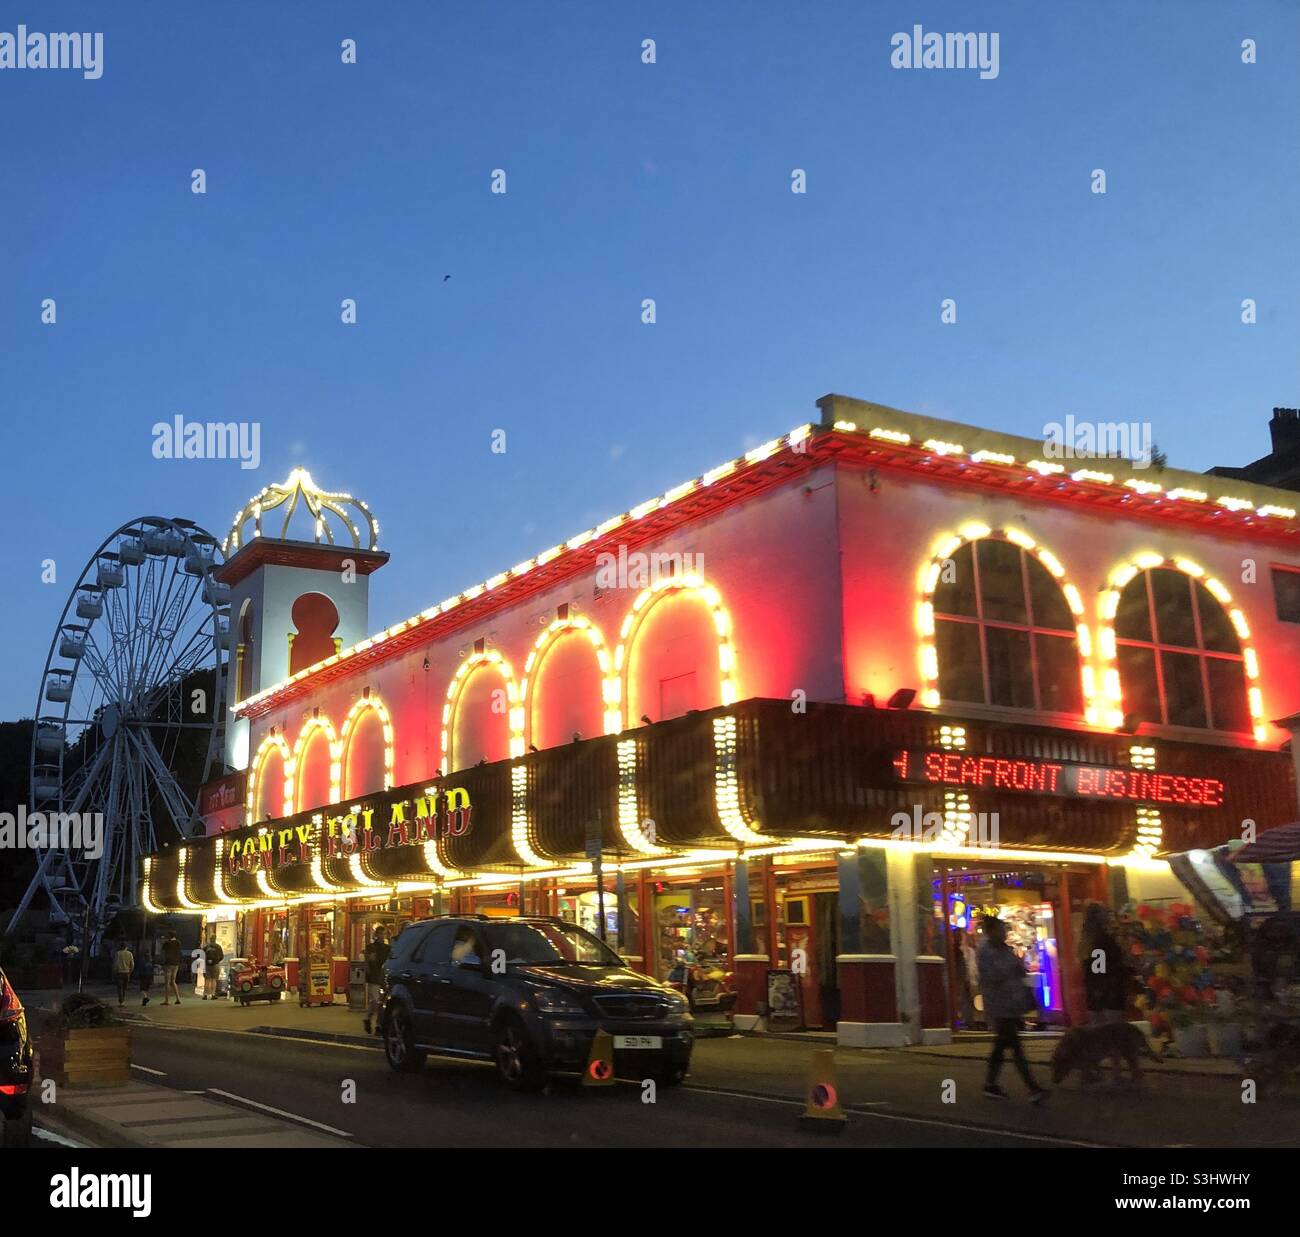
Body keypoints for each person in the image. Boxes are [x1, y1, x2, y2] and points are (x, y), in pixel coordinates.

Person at [976, 916, 1047, 1103]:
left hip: (1011, 1003)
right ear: (990, 932)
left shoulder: (1004, 949)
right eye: (1000, 930)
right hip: (1000, 1004)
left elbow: (1018, 971)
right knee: (1015, 1047)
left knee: (1001, 1046)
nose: (1004, 933)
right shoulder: (986, 952)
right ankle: (1033, 1088)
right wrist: (1012, 967)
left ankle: (990, 1084)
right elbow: (992, 975)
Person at [1077, 901, 1129, 1024]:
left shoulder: (1087, 941)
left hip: (1096, 998)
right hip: (1110, 996)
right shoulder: (1103, 940)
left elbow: (1094, 971)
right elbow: (1100, 970)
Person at [362, 926, 390, 1036]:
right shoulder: (371, 947)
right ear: (376, 935)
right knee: (375, 1001)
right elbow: (367, 961)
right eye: (380, 934)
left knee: (380, 1002)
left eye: (384, 934)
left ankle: (377, 1024)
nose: (382, 936)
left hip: (383, 978)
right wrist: (369, 964)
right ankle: (370, 1020)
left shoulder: (388, 948)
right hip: (374, 977)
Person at [161, 931, 182, 1005]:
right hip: (176, 963)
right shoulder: (178, 943)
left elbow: (163, 953)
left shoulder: (166, 943)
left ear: (169, 935)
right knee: (173, 981)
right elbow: (179, 953)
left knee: (167, 982)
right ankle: (178, 998)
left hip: (168, 963)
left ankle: (167, 1000)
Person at [112, 941, 135, 1006]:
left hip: (119, 972)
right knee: (124, 988)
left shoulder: (118, 953)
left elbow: (115, 964)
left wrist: (114, 971)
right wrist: (130, 971)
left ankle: (121, 1001)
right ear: (126, 947)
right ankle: (123, 1000)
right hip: (127, 972)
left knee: (120, 988)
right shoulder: (130, 954)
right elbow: (132, 964)